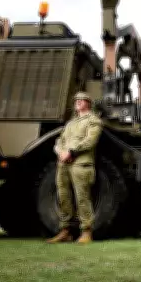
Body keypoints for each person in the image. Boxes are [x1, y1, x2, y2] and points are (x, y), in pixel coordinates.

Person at [47, 92, 104, 244]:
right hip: (64, 164)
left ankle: (86, 231)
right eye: (76, 100)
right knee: (63, 196)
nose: (78, 102)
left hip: (81, 164)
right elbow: (60, 140)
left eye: (81, 100)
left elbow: (90, 141)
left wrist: (72, 151)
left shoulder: (94, 121)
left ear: (88, 103)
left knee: (82, 198)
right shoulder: (70, 123)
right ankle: (65, 231)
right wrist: (60, 151)